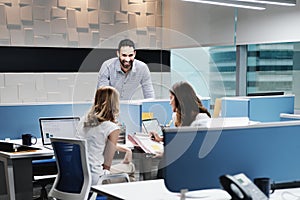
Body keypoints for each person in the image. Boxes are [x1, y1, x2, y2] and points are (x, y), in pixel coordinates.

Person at [77, 86, 135, 186]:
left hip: (78, 176)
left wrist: (126, 150)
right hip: (96, 179)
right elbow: (106, 166)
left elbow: (97, 144)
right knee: (130, 168)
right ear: (115, 104)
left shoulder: (83, 121)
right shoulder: (112, 128)